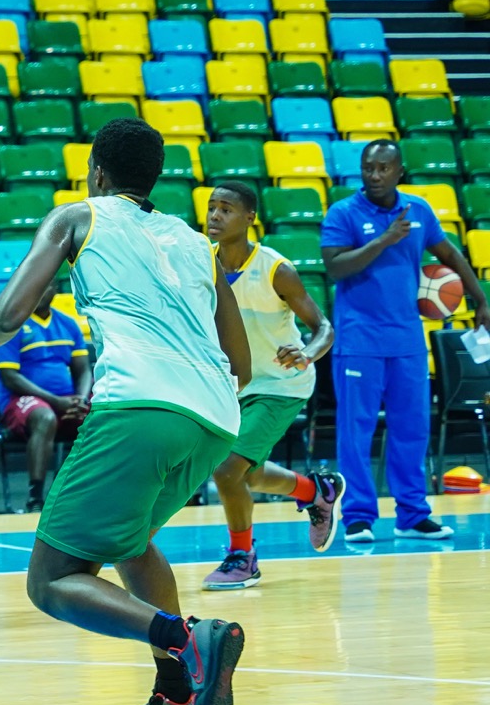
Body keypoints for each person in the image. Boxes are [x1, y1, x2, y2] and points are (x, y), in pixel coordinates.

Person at [0, 118, 252, 705]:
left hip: (140, 405)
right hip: (214, 417)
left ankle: (186, 641)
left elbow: (9, 312)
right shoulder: (192, 239)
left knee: (53, 580)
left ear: (97, 171)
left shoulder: (77, 217)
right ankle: (174, 697)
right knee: (130, 541)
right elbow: (242, 360)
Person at [321, 140, 489, 543]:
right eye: (368, 168)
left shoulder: (419, 210)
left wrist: (480, 297)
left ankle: (412, 515)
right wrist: (384, 240)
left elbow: (450, 253)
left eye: (382, 168)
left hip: (409, 341)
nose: (374, 175)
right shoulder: (343, 213)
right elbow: (335, 268)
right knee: (355, 432)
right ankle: (358, 517)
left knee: (412, 429)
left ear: (399, 171)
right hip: (359, 340)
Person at [202, 182, 342, 591]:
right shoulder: (201, 264)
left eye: (226, 209)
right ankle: (316, 490)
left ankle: (243, 557)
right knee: (246, 473)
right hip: (234, 385)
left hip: (282, 384)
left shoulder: (276, 269)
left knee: (228, 468)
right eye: (211, 207)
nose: (215, 215)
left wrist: (307, 353)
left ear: (250, 218)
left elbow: (324, 328)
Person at [0, 280, 93, 513]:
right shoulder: (12, 325)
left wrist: (81, 400)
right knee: (44, 417)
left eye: (47, 285)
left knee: (101, 416)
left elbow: (83, 370)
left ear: (55, 291)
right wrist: (56, 402)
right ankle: (35, 498)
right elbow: (10, 377)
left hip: (65, 400)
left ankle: (78, 494)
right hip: (20, 401)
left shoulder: (68, 324)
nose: (41, 289)